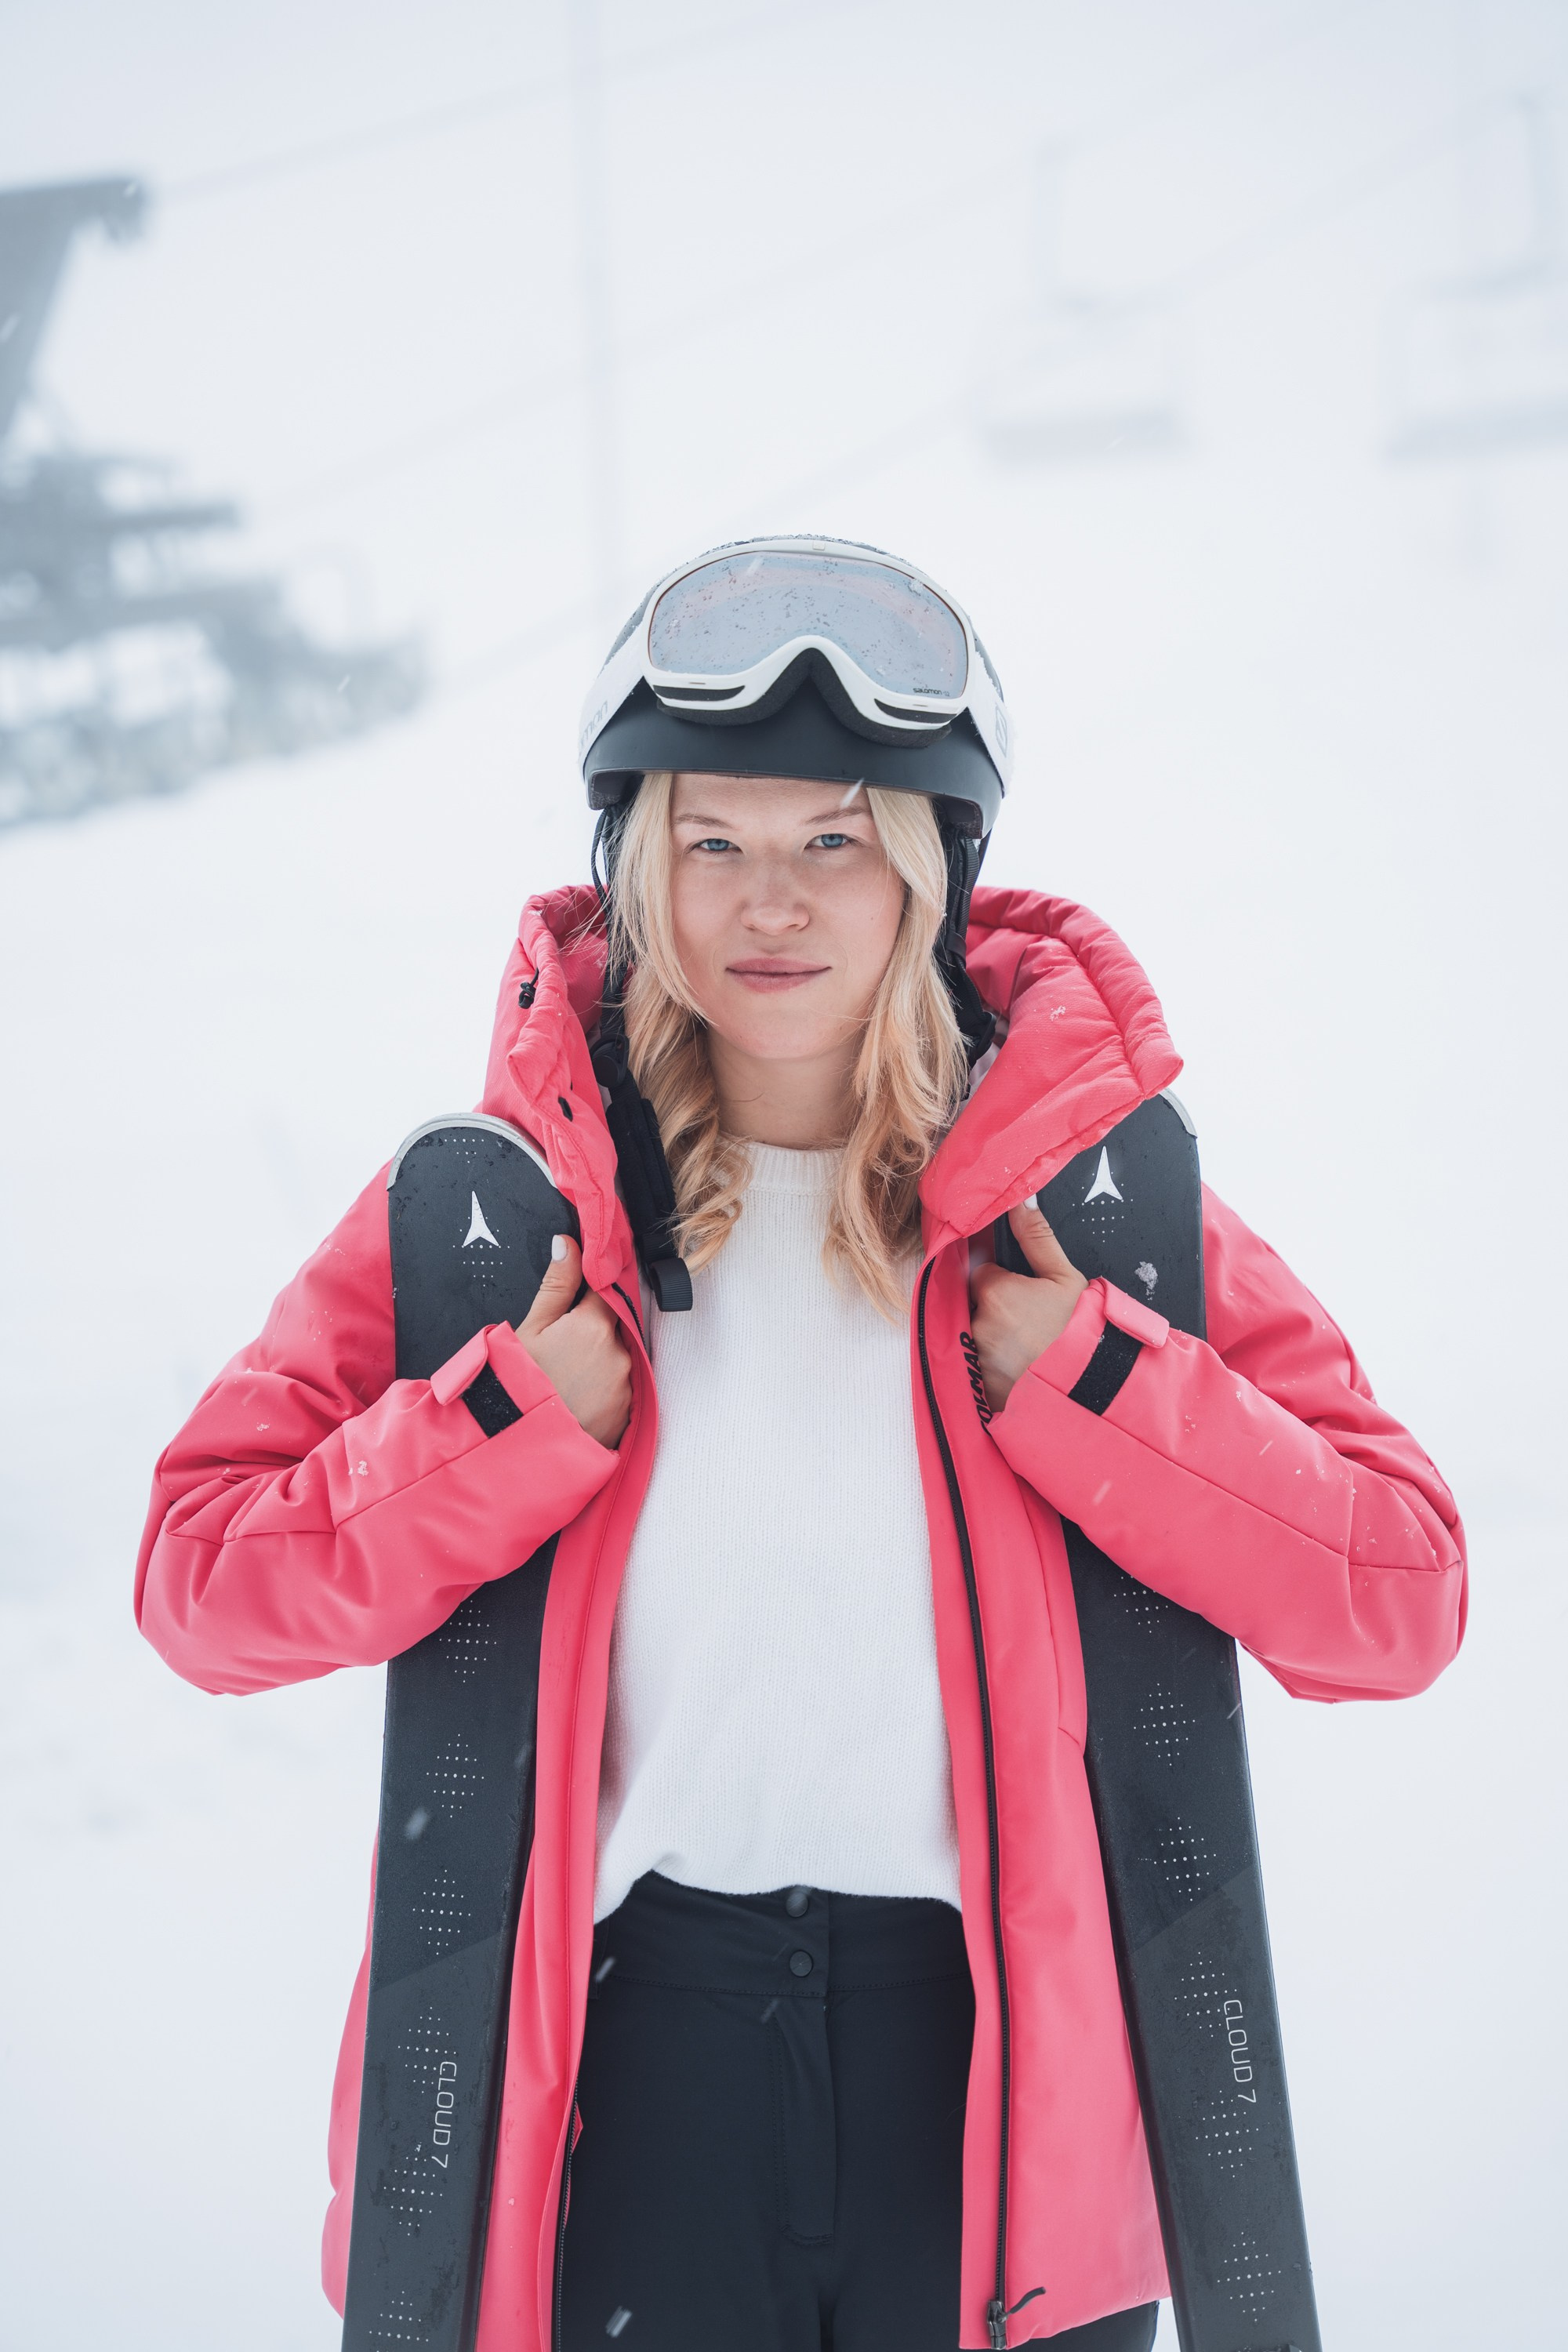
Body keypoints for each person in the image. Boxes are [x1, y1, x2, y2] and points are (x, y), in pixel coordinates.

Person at [136, 537, 1465, 2352]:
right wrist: (496, 1430)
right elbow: (200, 1586)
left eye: (833, 840)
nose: (773, 902)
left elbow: (1396, 1597)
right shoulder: (499, 1222)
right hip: (640, 2076)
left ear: (923, 871)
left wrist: (1094, 1383)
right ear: (641, 869)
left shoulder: (1088, 1212)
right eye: (716, 843)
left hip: (991, 2091)